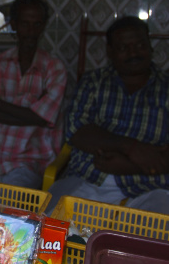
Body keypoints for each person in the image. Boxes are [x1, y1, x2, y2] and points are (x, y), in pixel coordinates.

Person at [46, 16, 169, 213]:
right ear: (110, 52)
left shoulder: (165, 86)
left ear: (150, 47)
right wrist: (132, 147)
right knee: (48, 227)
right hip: (89, 178)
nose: (133, 53)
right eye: (123, 48)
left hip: (149, 187)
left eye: (140, 45)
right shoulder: (93, 82)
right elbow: (76, 130)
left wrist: (129, 165)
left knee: (157, 238)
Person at [0, 0, 67, 189]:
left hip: (30, 159)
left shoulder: (54, 68)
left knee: (12, 212)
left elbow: (44, 118)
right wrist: (32, 114)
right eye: (25, 24)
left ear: (43, 26)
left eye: (37, 24)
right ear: (14, 25)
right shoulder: (0, 62)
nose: (31, 31)